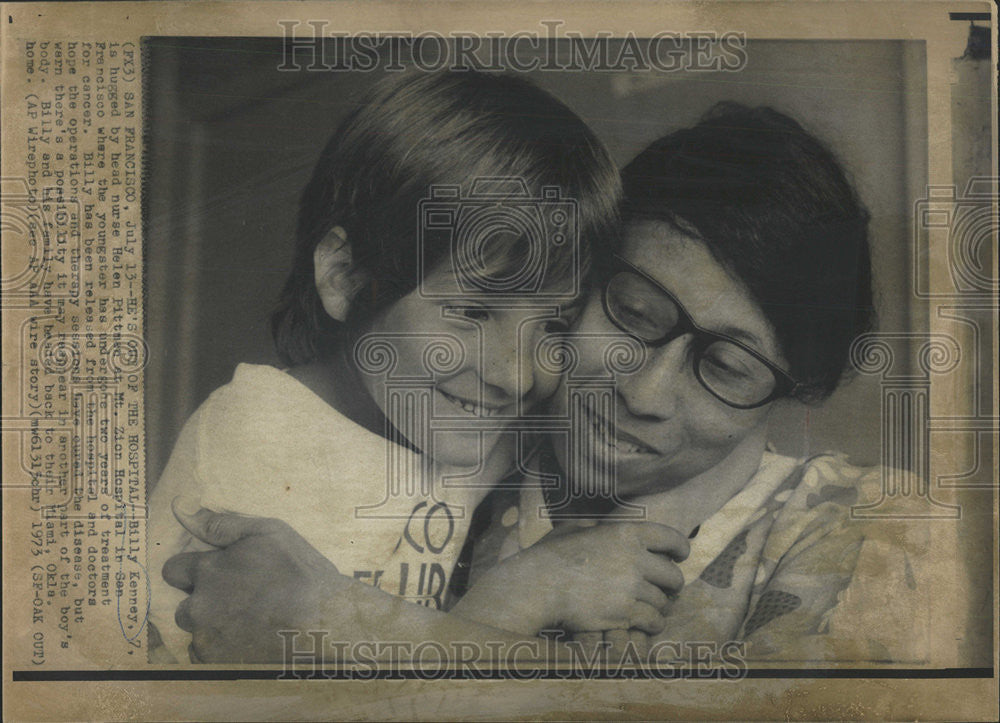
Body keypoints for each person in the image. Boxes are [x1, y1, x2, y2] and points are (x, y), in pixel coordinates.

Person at [161, 102, 957, 665]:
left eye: (726, 368)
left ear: (795, 388)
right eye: (634, 312)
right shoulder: (470, 452)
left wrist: (338, 629)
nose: (644, 392)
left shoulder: (870, 531)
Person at [148, 69, 688, 663]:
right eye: (471, 311)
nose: (514, 374)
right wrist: (525, 594)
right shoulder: (259, 436)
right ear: (346, 277)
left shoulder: (457, 419)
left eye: (554, 325)